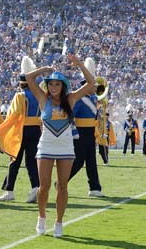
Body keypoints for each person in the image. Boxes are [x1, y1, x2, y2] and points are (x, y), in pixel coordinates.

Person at [26, 54, 95, 237]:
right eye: (50, 83)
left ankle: (59, 221)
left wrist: (79, 64)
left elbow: (91, 83)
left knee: (63, 185)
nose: (53, 87)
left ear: (63, 86)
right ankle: (41, 217)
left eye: (57, 84)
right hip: (46, 145)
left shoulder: (71, 99)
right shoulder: (42, 99)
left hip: (65, 146)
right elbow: (28, 78)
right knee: (44, 186)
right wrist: (44, 69)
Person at [0, 57, 41, 204]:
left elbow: (12, 116)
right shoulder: (41, 95)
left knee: (14, 160)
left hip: (21, 130)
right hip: (37, 130)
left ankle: (9, 191)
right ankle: (35, 188)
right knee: (32, 162)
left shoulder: (20, 96)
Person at [68, 57, 104, 197]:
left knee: (91, 161)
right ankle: (61, 181)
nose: (95, 87)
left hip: (90, 131)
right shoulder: (79, 99)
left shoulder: (93, 98)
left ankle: (95, 188)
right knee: (78, 161)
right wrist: (74, 132)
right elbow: (71, 115)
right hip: (81, 132)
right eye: (92, 85)